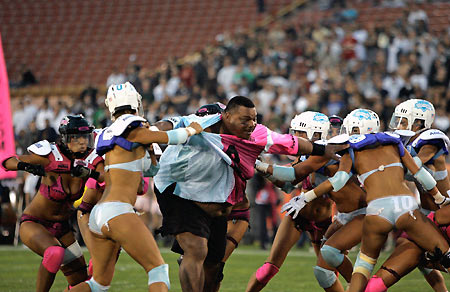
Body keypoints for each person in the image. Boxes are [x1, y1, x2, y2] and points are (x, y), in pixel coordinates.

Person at [153, 97, 345, 292]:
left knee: (214, 265)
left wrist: (320, 153)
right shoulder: (201, 124)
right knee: (197, 250)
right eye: (245, 120)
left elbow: (289, 157)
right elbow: (168, 124)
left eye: (253, 119)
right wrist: (150, 134)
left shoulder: (258, 134)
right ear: (224, 116)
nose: (251, 124)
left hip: (226, 205)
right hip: (183, 193)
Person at [284, 108, 450, 292]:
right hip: (406, 207)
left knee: (364, 267)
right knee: (443, 255)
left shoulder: (349, 148)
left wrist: (305, 197)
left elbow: (337, 181)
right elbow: (420, 175)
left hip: (377, 211)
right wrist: (441, 198)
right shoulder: (394, 141)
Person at [69, 82, 203, 292]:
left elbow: (149, 171)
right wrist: (191, 130)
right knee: (158, 270)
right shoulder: (133, 127)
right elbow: (171, 137)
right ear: (135, 102)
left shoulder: (111, 132)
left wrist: (150, 152)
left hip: (99, 214)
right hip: (117, 210)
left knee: (98, 285)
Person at [247, 112, 363, 292]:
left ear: (316, 133)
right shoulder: (306, 154)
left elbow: (292, 174)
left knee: (328, 273)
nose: (295, 137)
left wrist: (262, 166)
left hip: (328, 222)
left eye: (300, 133)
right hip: (298, 216)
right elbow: (288, 185)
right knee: (269, 268)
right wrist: (265, 173)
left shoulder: (331, 155)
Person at [1, 114, 104, 292]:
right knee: (55, 253)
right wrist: (28, 166)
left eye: (85, 137)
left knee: (82, 283)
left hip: (63, 228)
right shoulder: (49, 155)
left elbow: (107, 179)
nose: (82, 142)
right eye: (76, 137)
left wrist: (89, 174)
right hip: (35, 222)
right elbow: (6, 162)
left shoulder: (90, 159)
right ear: (65, 138)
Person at [363, 99, 450, 292]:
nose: (398, 126)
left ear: (418, 123)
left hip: (445, 217)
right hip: (426, 222)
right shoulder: (403, 143)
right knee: (375, 286)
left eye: (403, 121)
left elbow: (412, 167)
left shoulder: (430, 139)